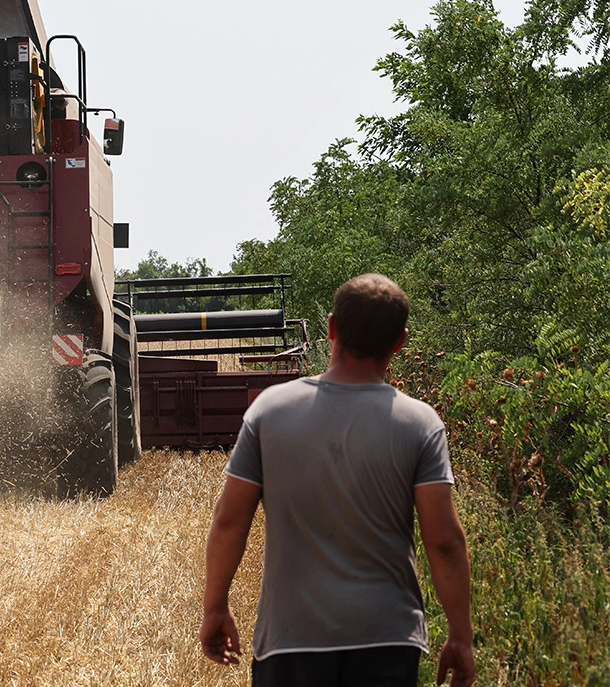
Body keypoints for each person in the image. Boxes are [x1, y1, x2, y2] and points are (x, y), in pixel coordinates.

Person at [198, 273, 475, 687]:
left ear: (330, 328)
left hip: (290, 643)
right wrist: (460, 636)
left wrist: (215, 607)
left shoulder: (271, 412)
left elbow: (229, 521)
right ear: (400, 342)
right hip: (387, 641)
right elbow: (444, 541)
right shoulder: (420, 424)